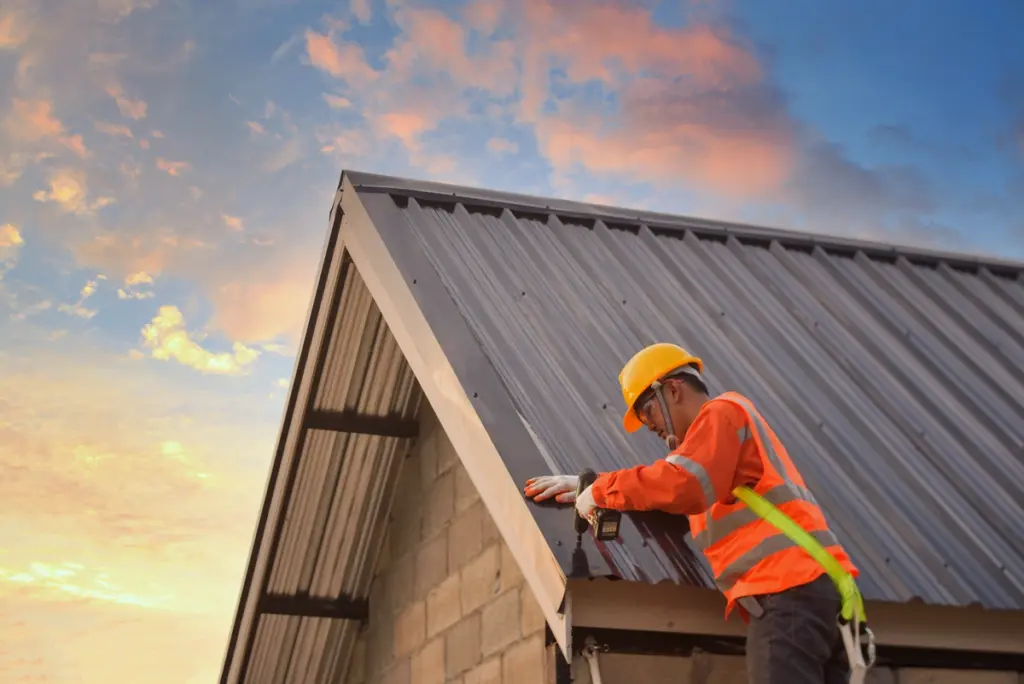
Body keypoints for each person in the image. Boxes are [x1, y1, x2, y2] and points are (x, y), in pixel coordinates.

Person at [523, 342, 860, 684]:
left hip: (788, 591)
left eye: (647, 411)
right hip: (814, 594)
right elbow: (672, 489)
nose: (649, 426)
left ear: (672, 389)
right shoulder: (718, 456)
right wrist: (592, 487)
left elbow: (680, 484)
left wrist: (601, 489)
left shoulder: (723, 412)